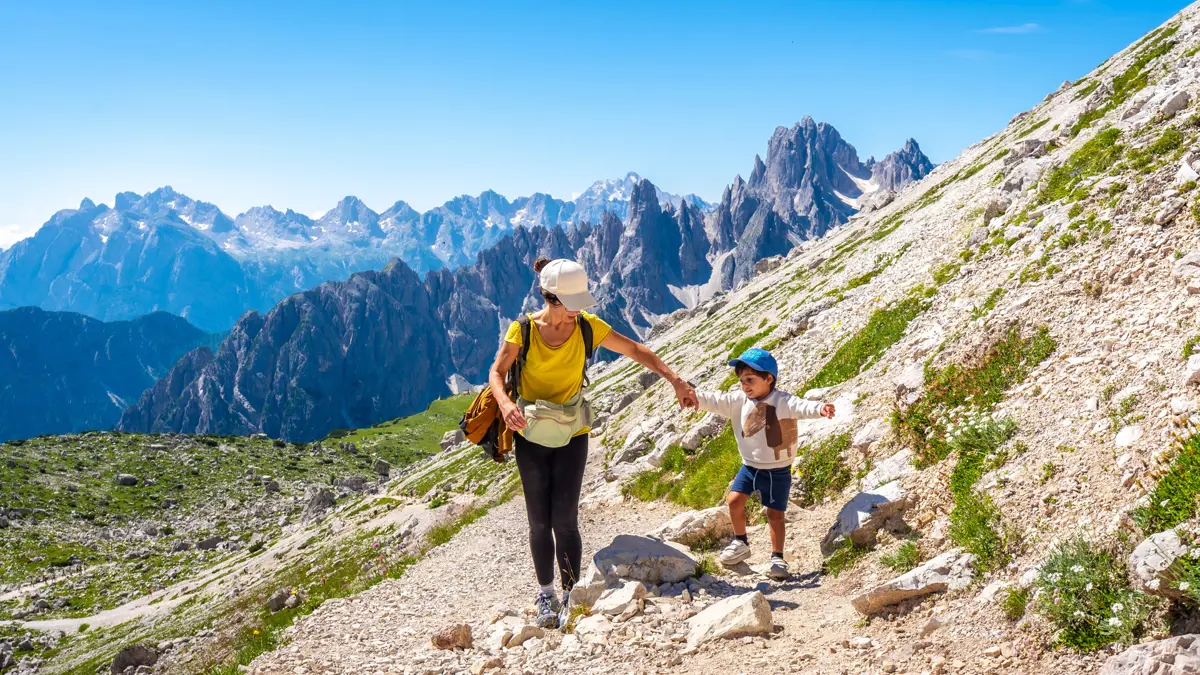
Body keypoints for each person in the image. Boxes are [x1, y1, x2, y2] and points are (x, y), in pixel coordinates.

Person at [488, 257, 697, 628]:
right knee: (539, 521)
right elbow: (497, 372)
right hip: (531, 434)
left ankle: (571, 595)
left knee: (565, 520)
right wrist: (505, 403)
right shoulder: (523, 330)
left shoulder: (587, 326)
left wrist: (675, 380)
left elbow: (635, 350)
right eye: (571, 305)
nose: (577, 312)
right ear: (550, 299)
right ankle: (546, 594)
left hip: (573, 432)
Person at [690, 348, 834, 580]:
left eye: (750, 380)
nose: (744, 386)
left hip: (778, 470)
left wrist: (820, 409)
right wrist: (694, 395)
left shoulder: (783, 400)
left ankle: (777, 557)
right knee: (734, 501)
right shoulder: (737, 401)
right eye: (741, 381)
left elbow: (802, 406)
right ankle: (740, 542)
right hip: (750, 466)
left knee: (774, 514)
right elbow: (715, 401)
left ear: (768, 378)